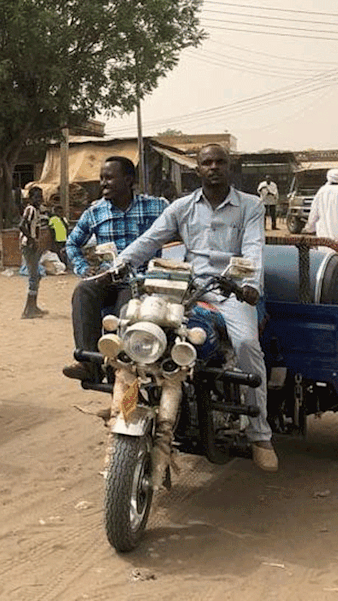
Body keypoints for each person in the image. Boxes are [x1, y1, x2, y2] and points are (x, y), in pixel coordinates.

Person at [116, 144, 277, 472]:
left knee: (247, 344)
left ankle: (260, 435)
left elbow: (253, 249)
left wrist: (250, 287)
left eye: (220, 162)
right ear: (197, 169)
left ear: (228, 167)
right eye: (207, 162)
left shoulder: (250, 206)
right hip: (190, 289)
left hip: (231, 290)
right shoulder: (182, 207)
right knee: (142, 328)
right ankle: (126, 405)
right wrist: (119, 263)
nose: (214, 167)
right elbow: (150, 239)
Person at [61, 157, 167, 382]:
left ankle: (123, 385)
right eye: (101, 178)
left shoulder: (156, 206)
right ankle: (87, 362)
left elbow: (180, 230)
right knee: (82, 291)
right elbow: (71, 244)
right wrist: (84, 268)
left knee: (122, 316)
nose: (103, 183)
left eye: (109, 178)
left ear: (128, 180)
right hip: (107, 279)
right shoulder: (95, 212)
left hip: (142, 282)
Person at [305, 168, 338, 255]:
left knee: (327, 257)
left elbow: (314, 212)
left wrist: (310, 227)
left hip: (325, 233)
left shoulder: (322, 191)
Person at [19, 187, 48, 319]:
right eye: (36, 197)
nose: (39, 200)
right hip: (28, 245)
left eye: (40, 197)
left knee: (36, 276)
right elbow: (21, 225)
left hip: (32, 244)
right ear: (30, 198)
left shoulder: (37, 210)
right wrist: (32, 240)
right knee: (33, 276)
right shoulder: (30, 209)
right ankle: (28, 310)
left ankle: (33, 306)